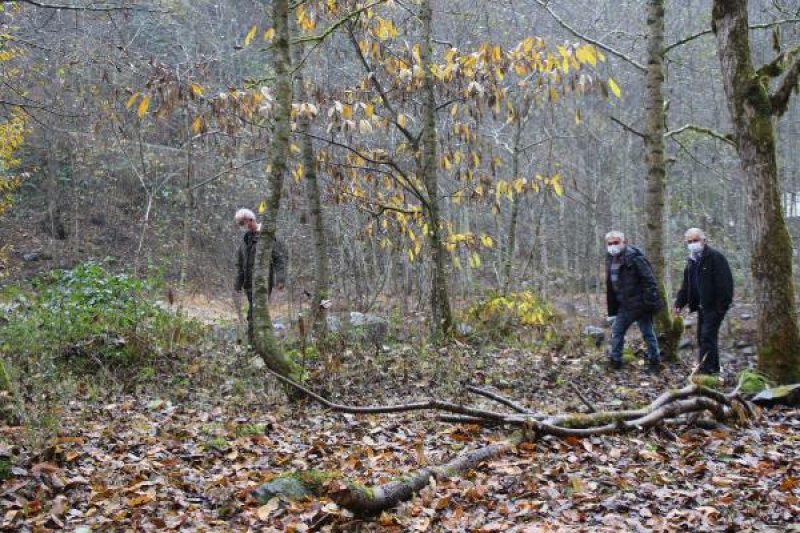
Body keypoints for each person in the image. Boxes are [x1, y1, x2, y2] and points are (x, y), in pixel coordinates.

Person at [673, 228, 733, 376]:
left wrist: (721, 307)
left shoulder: (715, 257)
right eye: (689, 241)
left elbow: (726, 283)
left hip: (714, 306)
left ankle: (706, 370)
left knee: (707, 336)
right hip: (701, 307)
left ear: (703, 241)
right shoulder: (692, 261)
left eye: (695, 240)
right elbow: (687, 285)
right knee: (703, 337)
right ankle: (713, 367)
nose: (692, 244)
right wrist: (679, 303)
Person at [604, 230, 664, 372]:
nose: (613, 246)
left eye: (616, 242)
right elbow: (611, 286)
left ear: (624, 242)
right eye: (610, 243)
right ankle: (615, 362)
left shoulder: (636, 258)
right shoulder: (610, 259)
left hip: (640, 304)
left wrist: (648, 303)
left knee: (647, 333)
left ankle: (655, 362)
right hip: (624, 305)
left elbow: (650, 281)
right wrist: (613, 309)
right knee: (617, 332)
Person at [234, 208, 287, 343]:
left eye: (242, 223)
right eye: (239, 224)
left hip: (263, 283)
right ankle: (257, 342)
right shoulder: (245, 240)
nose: (242, 226)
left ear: (251, 220)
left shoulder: (267, 237)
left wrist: (281, 279)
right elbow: (240, 263)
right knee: (255, 312)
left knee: (255, 313)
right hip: (248, 284)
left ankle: (255, 342)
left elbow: (279, 259)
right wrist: (238, 283)